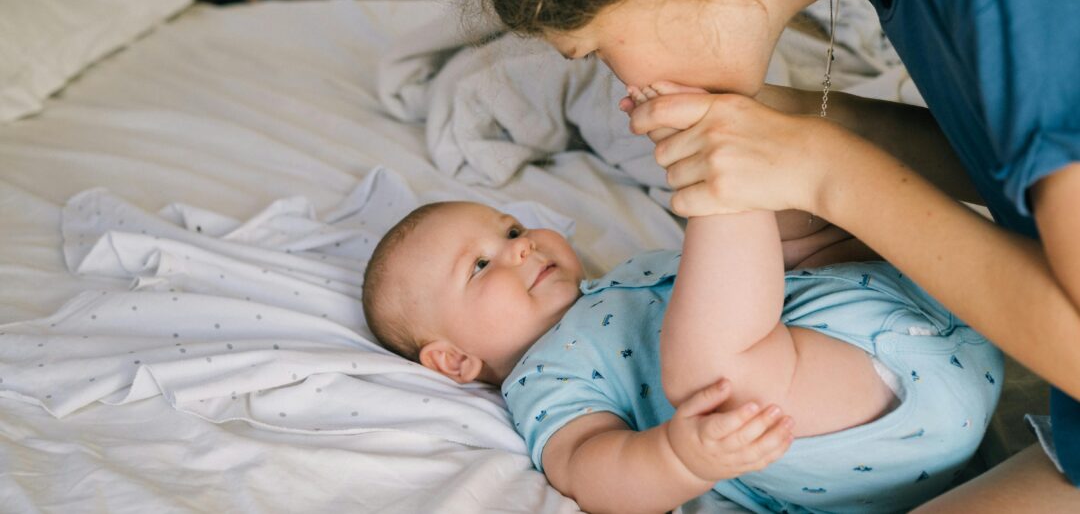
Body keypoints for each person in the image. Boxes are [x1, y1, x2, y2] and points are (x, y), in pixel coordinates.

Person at [455, 0, 1080, 508]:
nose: (623, 80)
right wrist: (819, 130)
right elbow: (1024, 159)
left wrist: (828, 171)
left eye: (600, 49)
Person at [361, 171, 1002, 513]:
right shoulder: (542, 379)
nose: (520, 245)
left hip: (934, 313)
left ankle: (771, 173)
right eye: (480, 266)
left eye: (510, 229)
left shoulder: (627, 273)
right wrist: (679, 459)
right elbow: (588, 468)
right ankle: (731, 182)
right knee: (715, 375)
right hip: (863, 422)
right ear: (454, 359)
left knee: (783, 232)